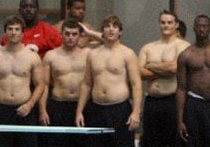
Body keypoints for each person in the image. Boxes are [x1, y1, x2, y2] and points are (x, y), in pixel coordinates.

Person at [75, 15, 142, 147]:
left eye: (115, 26)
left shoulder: (127, 53)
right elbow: (86, 84)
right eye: (107, 26)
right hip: (96, 109)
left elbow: (136, 84)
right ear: (102, 31)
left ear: (120, 31)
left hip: (120, 109)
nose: (111, 30)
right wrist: (79, 111)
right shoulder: (92, 54)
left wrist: (136, 112)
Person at [0, 15, 44, 147]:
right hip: (1, 110)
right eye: (10, 29)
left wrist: (30, 105)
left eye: (17, 29)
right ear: (5, 32)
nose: (13, 32)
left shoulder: (32, 57)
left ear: (22, 33)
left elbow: (40, 85)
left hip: (24, 110)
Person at [176, 14, 210, 147]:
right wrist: (180, 121)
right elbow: (181, 88)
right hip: (193, 104)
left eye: (205, 26)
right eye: (199, 26)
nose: (202, 29)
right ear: (194, 28)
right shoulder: (185, 55)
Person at [138, 10, 190, 147]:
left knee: (174, 141)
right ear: (159, 24)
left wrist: (150, 65)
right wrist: (165, 70)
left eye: (169, 22)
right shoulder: (148, 47)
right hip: (151, 101)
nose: (166, 25)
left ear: (176, 25)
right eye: (163, 22)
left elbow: (174, 68)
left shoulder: (183, 45)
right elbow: (139, 72)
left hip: (172, 101)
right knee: (151, 141)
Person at [39, 19, 89, 147]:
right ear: (61, 35)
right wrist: (42, 110)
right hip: (58, 105)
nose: (70, 37)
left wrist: (89, 32)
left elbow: (111, 40)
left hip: (82, 105)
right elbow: (43, 85)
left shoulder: (88, 54)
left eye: (74, 34)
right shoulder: (51, 56)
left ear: (80, 36)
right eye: (67, 34)